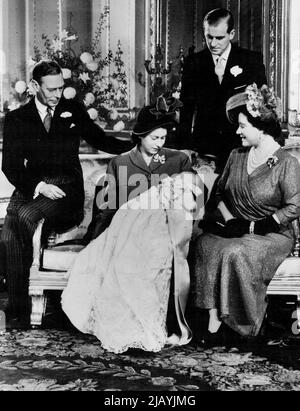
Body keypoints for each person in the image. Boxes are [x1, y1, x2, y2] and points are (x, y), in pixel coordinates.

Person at [61, 101, 205, 353]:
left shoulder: (178, 159)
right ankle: (130, 326)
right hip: (127, 227)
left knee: (156, 253)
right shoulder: (121, 163)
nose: (160, 142)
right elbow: (109, 207)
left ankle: (157, 324)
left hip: (166, 229)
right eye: (154, 137)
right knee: (124, 257)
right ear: (140, 136)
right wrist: (98, 236)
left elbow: (194, 196)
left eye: (163, 136)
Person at [1, 60, 133, 328]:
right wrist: (39, 187)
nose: (57, 94)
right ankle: (18, 312)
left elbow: (101, 139)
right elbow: (10, 166)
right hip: (34, 186)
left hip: (66, 187)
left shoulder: (72, 109)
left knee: (21, 216)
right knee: (10, 228)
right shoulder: (17, 118)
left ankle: (17, 310)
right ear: (35, 86)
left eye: (61, 88)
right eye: (51, 89)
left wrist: (138, 142)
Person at [191, 83, 300, 346]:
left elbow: (295, 205)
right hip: (235, 228)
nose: (237, 131)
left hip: (272, 234)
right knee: (205, 244)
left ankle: (240, 326)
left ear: (260, 127)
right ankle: (213, 319)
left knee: (235, 251)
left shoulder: (286, 162)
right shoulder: (236, 155)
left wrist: (262, 224)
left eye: (242, 125)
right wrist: (229, 220)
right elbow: (217, 194)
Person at [179, 8, 267, 169]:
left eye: (219, 38)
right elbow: (186, 109)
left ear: (231, 34)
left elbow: (262, 107)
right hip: (204, 148)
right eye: (209, 37)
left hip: (240, 146)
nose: (213, 43)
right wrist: (185, 148)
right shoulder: (193, 62)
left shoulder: (251, 60)